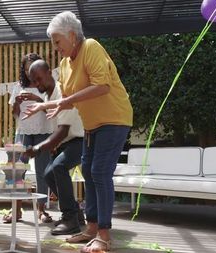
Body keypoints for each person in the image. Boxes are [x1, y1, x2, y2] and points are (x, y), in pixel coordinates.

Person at [24, 11, 133, 252]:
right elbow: (69, 100)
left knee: (100, 172)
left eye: (57, 41)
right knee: (88, 170)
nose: (55, 48)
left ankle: (104, 235)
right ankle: (91, 229)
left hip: (114, 119)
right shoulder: (64, 64)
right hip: (91, 125)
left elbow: (102, 86)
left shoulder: (91, 47)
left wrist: (62, 102)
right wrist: (45, 104)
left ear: (72, 36)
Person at [24, 59, 85, 235]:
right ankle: (76, 213)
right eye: (34, 81)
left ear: (50, 72)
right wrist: (52, 145)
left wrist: (38, 148)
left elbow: (63, 131)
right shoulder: (47, 96)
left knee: (58, 167)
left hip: (81, 140)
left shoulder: (61, 92)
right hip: (67, 142)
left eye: (39, 79)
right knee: (49, 174)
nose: (37, 84)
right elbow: (57, 127)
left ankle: (70, 219)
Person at [4, 53, 54, 223]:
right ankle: (16, 209)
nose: (29, 73)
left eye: (32, 69)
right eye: (26, 70)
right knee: (17, 172)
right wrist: (17, 103)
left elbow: (53, 111)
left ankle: (42, 210)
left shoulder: (48, 87)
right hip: (23, 132)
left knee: (43, 172)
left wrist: (39, 99)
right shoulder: (18, 86)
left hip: (43, 132)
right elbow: (15, 114)